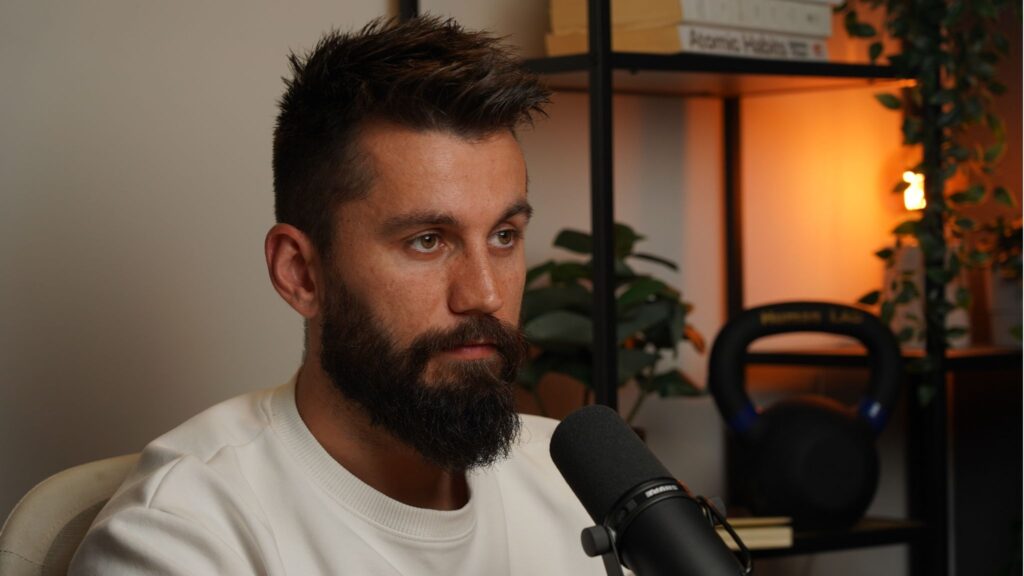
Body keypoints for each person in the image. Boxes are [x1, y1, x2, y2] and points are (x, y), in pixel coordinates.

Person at [69, 15, 603, 576]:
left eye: (504, 236)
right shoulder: (182, 533)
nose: (485, 293)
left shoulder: (580, 485)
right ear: (301, 273)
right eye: (427, 240)